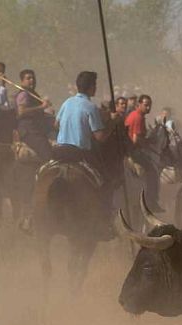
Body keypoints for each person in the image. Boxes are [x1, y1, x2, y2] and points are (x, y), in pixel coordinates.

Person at [52, 71, 118, 235]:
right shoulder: (91, 107)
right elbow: (100, 137)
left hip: (59, 151)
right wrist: (113, 123)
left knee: (40, 174)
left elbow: (55, 124)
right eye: (94, 85)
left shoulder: (67, 102)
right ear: (90, 88)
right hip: (78, 154)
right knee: (106, 182)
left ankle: (30, 217)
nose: (95, 88)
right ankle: (105, 222)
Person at [125, 94, 164, 212]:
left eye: (150, 106)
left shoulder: (133, 114)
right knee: (152, 170)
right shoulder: (138, 117)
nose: (148, 108)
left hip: (129, 149)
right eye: (146, 105)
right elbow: (136, 140)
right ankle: (151, 201)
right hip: (133, 151)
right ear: (139, 104)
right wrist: (147, 142)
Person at [15, 69, 52, 161]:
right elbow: (21, 112)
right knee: (47, 152)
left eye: (33, 78)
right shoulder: (24, 94)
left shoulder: (32, 94)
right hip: (29, 131)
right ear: (22, 81)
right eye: (28, 78)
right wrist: (42, 107)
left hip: (36, 129)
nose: (32, 80)